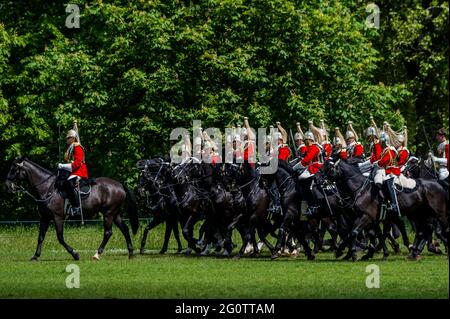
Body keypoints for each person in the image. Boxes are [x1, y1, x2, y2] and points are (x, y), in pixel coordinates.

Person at [58, 129, 88, 216]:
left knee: (68, 183)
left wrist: (63, 166)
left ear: (73, 138)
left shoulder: (77, 147)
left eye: (68, 138)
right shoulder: (71, 148)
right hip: (73, 171)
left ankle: (76, 207)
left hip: (79, 171)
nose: (67, 140)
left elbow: (78, 163)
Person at [293, 130, 323, 216]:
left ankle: (313, 206)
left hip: (316, 167)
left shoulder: (314, 147)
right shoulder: (310, 148)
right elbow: (303, 158)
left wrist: (294, 167)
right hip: (313, 167)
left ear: (309, 140)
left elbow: (306, 160)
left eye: (305, 140)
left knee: (301, 178)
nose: (304, 142)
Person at [373, 132, 401, 216]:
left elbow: (383, 161)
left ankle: (394, 204)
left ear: (384, 142)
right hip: (388, 171)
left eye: (381, 142)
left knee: (389, 181)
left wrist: (376, 164)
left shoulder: (390, 150)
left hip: (393, 172)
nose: (381, 144)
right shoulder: (386, 150)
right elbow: (379, 157)